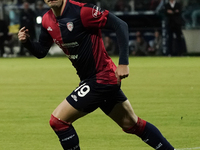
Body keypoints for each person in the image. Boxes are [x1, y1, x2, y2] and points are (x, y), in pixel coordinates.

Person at [18, 0, 176, 150]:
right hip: (93, 80)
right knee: (132, 124)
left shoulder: (82, 11)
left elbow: (120, 24)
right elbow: (41, 51)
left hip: (102, 77)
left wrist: (123, 63)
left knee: (58, 121)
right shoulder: (47, 20)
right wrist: (27, 43)